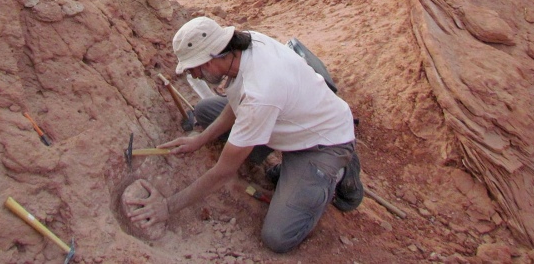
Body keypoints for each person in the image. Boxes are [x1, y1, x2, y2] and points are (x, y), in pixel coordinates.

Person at [128, 16, 363, 253]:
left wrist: (168, 206)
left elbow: (223, 173)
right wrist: (199, 140)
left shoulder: (261, 93)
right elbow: (238, 100)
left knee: (278, 237)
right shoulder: (245, 46)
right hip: (291, 116)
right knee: (205, 110)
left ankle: (336, 171)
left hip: (324, 140)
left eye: (194, 70)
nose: (195, 76)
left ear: (210, 61)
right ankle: (292, 169)